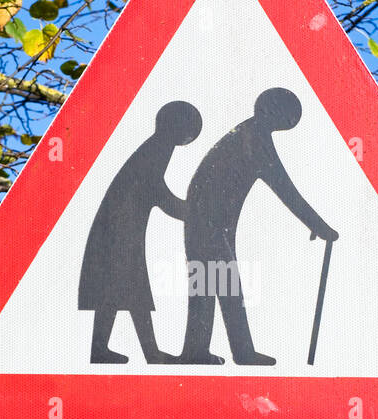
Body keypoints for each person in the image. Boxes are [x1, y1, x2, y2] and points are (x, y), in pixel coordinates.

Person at [179, 87, 337, 366]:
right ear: (276, 113)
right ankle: (238, 352)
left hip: (207, 223)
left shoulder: (246, 133)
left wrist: (318, 225)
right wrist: (320, 227)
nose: (290, 123)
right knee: (223, 286)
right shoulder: (254, 140)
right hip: (209, 224)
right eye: (289, 117)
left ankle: (200, 351)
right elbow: (285, 189)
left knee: (211, 286)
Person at [79, 101, 201, 363]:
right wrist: (191, 212)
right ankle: (136, 352)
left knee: (124, 289)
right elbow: (154, 189)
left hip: (123, 227)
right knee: (124, 288)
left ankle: (139, 352)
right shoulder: (158, 147)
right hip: (119, 228)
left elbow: (152, 190)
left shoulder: (157, 145)